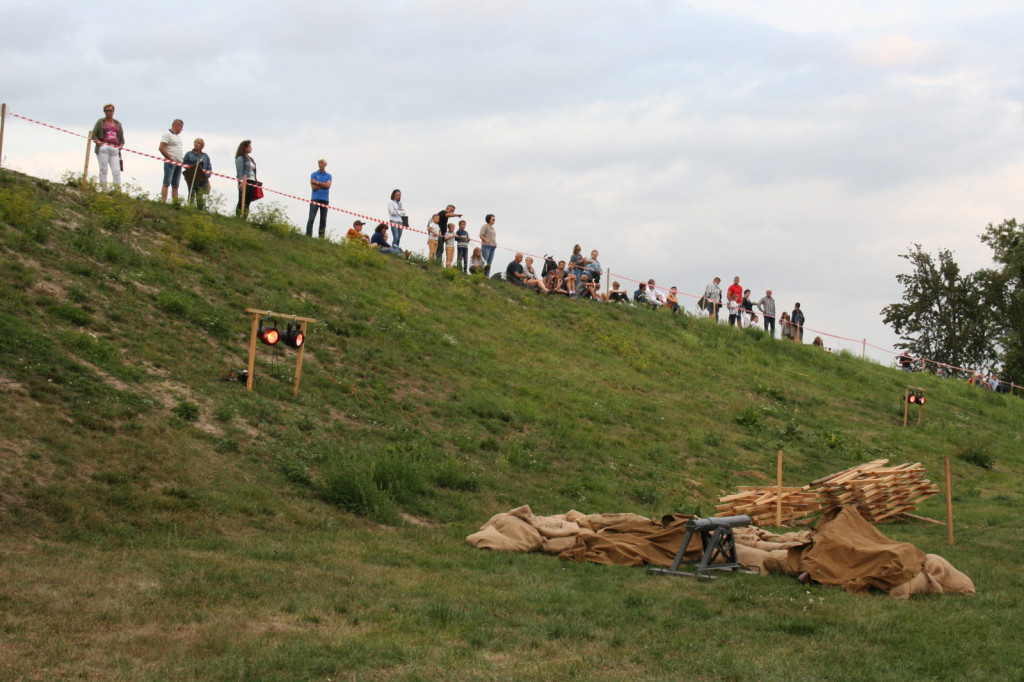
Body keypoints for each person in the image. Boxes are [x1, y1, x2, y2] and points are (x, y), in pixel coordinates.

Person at [91, 103, 124, 189]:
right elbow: (94, 135)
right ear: (104, 112)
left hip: (114, 149)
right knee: (103, 169)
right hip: (103, 148)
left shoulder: (118, 123)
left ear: (113, 111)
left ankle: (117, 191)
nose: (109, 112)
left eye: (110, 110)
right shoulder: (100, 122)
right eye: (107, 111)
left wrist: (120, 146)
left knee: (116, 171)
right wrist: (99, 143)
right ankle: (104, 189)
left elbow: (122, 139)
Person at [159, 119, 185, 203]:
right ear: (177, 125)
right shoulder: (167, 134)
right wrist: (169, 158)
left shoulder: (178, 137)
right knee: (166, 183)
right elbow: (161, 147)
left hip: (179, 163)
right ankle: (163, 201)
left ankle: (175, 203)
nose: (181, 129)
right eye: (181, 127)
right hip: (170, 162)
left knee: (175, 185)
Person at [182, 138, 212, 210]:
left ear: (201, 146)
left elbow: (209, 167)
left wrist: (206, 176)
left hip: (202, 178)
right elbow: (184, 163)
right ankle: (190, 207)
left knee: (199, 193)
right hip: (191, 176)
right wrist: (191, 168)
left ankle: (200, 209)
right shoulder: (189, 154)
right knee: (191, 192)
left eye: (198, 143)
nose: (196, 144)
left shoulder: (205, 156)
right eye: (195, 142)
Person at [305, 158, 332, 238]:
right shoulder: (313, 174)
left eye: (321, 162)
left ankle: (321, 237)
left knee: (323, 220)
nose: (320, 164)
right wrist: (323, 185)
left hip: (325, 199)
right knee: (311, 217)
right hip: (315, 198)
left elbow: (328, 186)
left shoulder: (328, 175)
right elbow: (314, 187)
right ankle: (308, 235)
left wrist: (317, 183)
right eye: (319, 162)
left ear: (325, 164)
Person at [234, 140, 258, 216]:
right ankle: (238, 217)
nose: (251, 148)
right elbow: (239, 170)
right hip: (245, 180)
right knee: (242, 200)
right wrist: (241, 181)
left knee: (248, 200)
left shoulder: (251, 159)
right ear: (244, 148)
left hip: (252, 181)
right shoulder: (240, 158)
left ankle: (245, 218)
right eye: (249, 146)